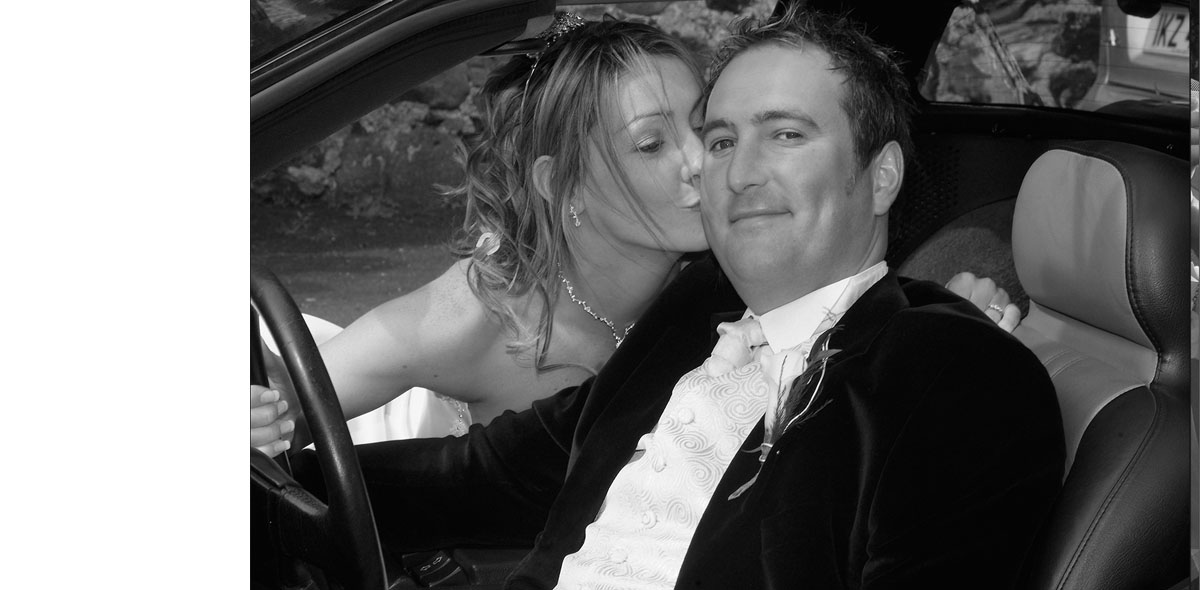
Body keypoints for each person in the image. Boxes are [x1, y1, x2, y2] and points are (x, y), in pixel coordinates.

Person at [251, 15, 1021, 455]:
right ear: (562, 185)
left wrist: (941, 313)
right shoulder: (481, 315)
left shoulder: (730, 270)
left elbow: (840, 312)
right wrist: (257, 414)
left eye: (703, 128)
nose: (703, 162)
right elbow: (296, 397)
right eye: (651, 144)